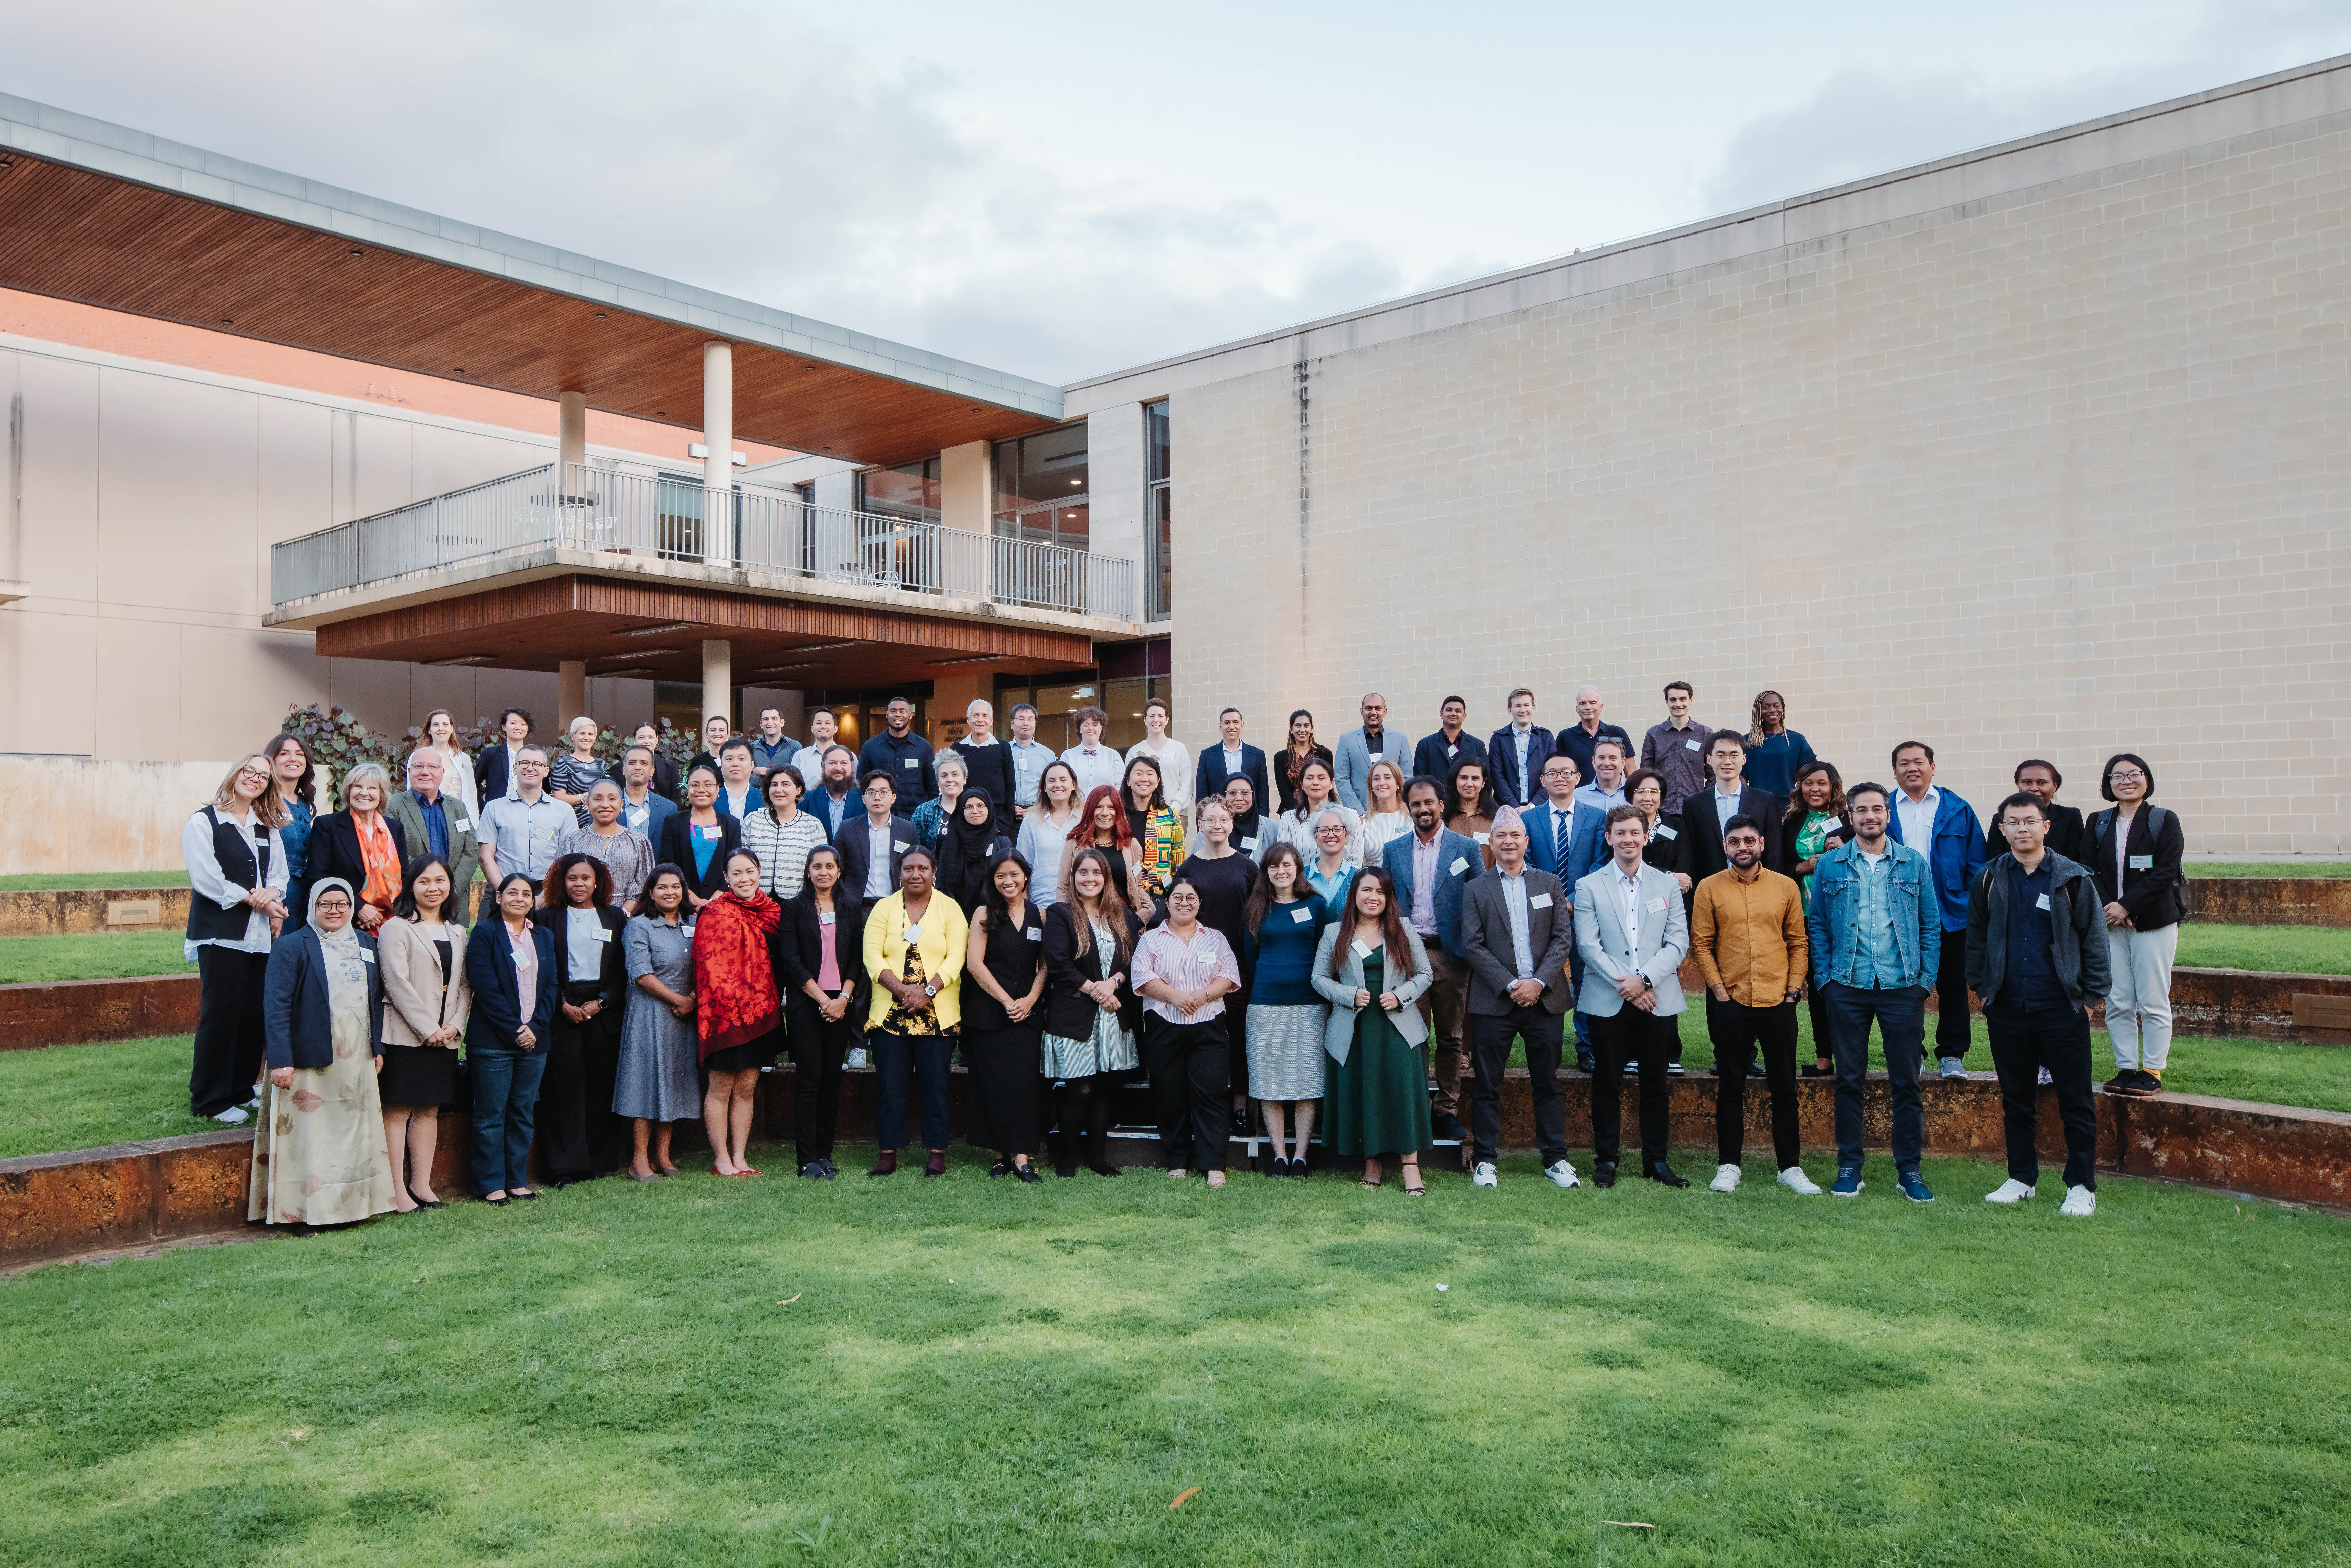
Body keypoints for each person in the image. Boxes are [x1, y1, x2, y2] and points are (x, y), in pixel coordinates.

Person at [1969, 792, 2110, 1217]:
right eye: (2013, 822)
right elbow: (1976, 940)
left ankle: (2081, 1184)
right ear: (2002, 829)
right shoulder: (1989, 877)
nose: (2021, 829)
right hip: (2008, 1007)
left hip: (2061, 1008)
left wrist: (2088, 1002)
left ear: (2045, 826)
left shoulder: (2072, 878)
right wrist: (1984, 992)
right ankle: (2021, 1177)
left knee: (2075, 1100)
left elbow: (2095, 944)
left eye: (2030, 821)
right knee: (2016, 1098)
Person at [1806, 782, 1940, 1202]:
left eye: (1877, 809)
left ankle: (1909, 1171)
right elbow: (1818, 925)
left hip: (1902, 986)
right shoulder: (1830, 864)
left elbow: (1929, 925)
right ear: (1849, 815)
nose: (1869, 816)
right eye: (1861, 810)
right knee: (1848, 1079)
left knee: (1906, 1081)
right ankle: (1849, 1166)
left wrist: (1924, 981)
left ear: (1887, 815)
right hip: (1846, 985)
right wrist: (1826, 979)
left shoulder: (1912, 863)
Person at [249, 879, 396, 1229]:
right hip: (306, 1057)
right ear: (313, 906)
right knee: (309, 1135)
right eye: (325, 904)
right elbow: (276, 1006)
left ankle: (349, 1209)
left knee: (350, 1133)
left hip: (356, 1056)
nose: (334, 910)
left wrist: (378, 1048)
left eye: (342, 904)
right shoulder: (291, 946)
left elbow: (374, 1000)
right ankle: (304, 1212)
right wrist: (281, 1060)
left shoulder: (364, 942)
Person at [1691, 816, 1815, 1194]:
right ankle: (1728, 1165)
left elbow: (1798, 942)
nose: (1741, 847)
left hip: (1778, 999)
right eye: (1734, 842)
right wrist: (1720, 992)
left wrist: (1793, 991)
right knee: (1730, 1085)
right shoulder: (1709, 887)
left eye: (1748, 840)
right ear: (1725, 846)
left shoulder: (1785, 886)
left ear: (1761, 843)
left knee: (1784, 1088)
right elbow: (1701, 943)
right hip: (1731, 1000)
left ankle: (1789, 1167)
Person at [1458, 807, 1577, 1190]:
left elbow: (1562, 938)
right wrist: (1511, 984)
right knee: (1486, 1084)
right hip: (1495, 1001)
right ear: (1489, 843)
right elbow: (1472, 945)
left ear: (1526, 841)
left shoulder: (1549, 883)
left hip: (1544, 999)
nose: (1508, 841)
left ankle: (1555, 1159)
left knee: (1548, 1082)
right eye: (1501, 836)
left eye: (1515, 835)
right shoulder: (1476, 888)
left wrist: (1538, 982)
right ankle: (1485, 1160)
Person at [1575, 806, 1692, 1189]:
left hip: (1656, 998)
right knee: (1607, 1081)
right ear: (1609, 838)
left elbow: (1677, 941)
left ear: (1646, 837)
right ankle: (1606, 1159)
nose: (1627, 839)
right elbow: (1588, 946)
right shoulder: (1588, 885)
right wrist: (1625, 984)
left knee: (1656, 1083)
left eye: (1634, 832)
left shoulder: (1666, 885)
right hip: (1608, 998)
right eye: (1619, 832)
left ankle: (1655, 1161)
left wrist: (1643, 980)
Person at [184, 754, 291, 1123]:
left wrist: (272, 893)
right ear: (235, 774)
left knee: (253, 1015)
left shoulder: (266, 826)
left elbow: (280, 874)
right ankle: (209, 1099)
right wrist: (255, 897)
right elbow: (206, 879)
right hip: (221, 935)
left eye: (263, 776)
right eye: (250, 771)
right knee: (222, 1015)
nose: (256, 779)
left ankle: (241, 1089)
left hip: (259, 935)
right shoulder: (204, 821)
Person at [1314, 868, 1435, 1194]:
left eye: (1381, 892)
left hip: (1398, 1025)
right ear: (1354, 895)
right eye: (1367, 890)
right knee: (1366, 1092)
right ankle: (1372, 1163)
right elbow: (1319, 979)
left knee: (1401, 1091)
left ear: (1388, 898)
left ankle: (1411, 1165)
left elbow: (1425, 974)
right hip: (1355, 1028)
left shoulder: (1403, 929)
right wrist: (1348, 995)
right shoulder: (1334, 932)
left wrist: (1401, 995)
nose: (1373, 897)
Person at [1383, 776, 1481, 1147]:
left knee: (1452, 1037)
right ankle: (1417, 1108)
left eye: (1428, 802)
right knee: (1413, 1036)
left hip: (1451, 954)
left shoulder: (1465, 848)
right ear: (1408, 808)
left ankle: (1447, 1111)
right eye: (1415, 804)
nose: (1422, 809)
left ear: (1441, 804)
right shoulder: (1393, 850)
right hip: (1408, 956)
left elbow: (1477, 901)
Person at [862, 845, 967, 1177]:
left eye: (923, 868)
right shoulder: (883, 908)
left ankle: (936, 1152)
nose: (915, 874)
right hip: (891, 1015)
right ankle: (888, 1152)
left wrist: (928, 992)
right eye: (909, 868)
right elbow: (872, 956)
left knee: (935, 1086)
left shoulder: (949, 909)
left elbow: (956, 957)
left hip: (936, 1015)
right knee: (890, 1085)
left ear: (934, 872)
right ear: (899, 873)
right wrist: (904, 991)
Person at [2086, 753, 2187, 1098]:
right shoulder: (2097, 822)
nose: (2126, 781)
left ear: (2146, 779)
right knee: (2118, 999)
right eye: (2117, 776)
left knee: (2152, 998)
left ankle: (2152, 1070)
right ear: (2107, 782)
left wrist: (2127, 904)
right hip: (2110, 923)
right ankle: (2126, 1066)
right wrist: (2109, 907)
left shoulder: (2162, 820)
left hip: (2153, 922)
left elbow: (2165, 871)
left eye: (2134, 774)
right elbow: (2088, 869)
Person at [1885, 741, 1987, 1079]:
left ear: (1932, 766)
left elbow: (1976, 862)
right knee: (1903, 986)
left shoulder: (1957, 808)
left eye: (1919, 761)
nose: (1912, 767)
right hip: (1896, 912)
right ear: (1895, 770)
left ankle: (1952, 1055)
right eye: (1904, 763)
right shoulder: (1883, 808)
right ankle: (1910, 1053)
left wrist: (1968, 903)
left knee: (1953, 984)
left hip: (1950, 912)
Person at [1132, 875, 1242, 1184]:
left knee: (1212, 1094)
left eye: (1191, 898)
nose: (1184, 903)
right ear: (1166, 904)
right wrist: (1177, 998)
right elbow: (1141, 976)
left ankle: (1214, 1166)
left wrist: (1202, 996)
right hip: (1164, 1025)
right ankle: (1177, 1161)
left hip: (1209, 1025)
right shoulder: (1152, 939)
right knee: (1170, 1095)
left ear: (1199, 904)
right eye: (1177, 898)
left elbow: (1228, 974)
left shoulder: (1215, 938)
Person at [375, 854, 470, 1211]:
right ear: (411, 886)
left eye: (440, 881)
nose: (434, 888)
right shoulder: (396, 927)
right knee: (398, 1109)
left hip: (445, 1036)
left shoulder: (458, 931)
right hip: (405, 1033)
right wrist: (428, 1028)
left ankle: (422, 1184)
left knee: (429, 1109)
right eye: (425, 881)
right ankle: (397, 1190)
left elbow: (465, 985)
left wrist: (454, 1026)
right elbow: (395, 982)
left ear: (450, 885)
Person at [530, 852, 630, 1187]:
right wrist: (560, 1003)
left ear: (598, 881)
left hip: (602, 1011)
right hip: (561, 1008)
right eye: (572, 878)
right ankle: (563, 1168)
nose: (579, 884)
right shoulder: (545, 918)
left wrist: (600, 1003)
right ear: (561, 880)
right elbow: (541, 968)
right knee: (563, 1090)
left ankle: (597, 1162)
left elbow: (621, 970)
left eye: (586, 878)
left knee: (601, 1088)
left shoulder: (615, 917)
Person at [1041, 848, 1141, 1178]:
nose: (1089, 879)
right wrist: (1097, 991)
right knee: (1079, 1088)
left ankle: (1097, 1159)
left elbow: (1131, 961)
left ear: (1106, 878)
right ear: (1073, 877)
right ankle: (1067, 1158)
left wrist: (1113, 983)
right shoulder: (1060, 914)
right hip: (1075, 1014)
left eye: (1096, 873)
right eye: (1082, 872)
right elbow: (1058, 964)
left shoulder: (1121, 914)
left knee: (1104, 1090)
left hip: (1113, 1017)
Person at [772, 846, 867, 1179]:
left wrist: (841, 999)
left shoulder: (850, 906)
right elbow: (791, 961)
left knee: (831, 1080)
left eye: (830, 866)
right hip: (806, 1003)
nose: (823, 871)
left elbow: (857, 959)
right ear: (808, 871)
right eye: (817, 866)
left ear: (839, 871)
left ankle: (825, 1154)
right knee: (809, 1081)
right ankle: (806, 1158)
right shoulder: (795, 908)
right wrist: (822, 1000)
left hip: (841, 1004)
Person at [464, 871, 557, 1204]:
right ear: (499, 897)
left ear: (533, 901)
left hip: (535, 1043)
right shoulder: (484, 934)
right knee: (491, 1114)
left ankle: (517, 1180)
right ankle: (490, 1183)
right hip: (493, 1042)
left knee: (522, 1111)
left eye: (527, 894)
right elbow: (485, 988)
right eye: (512, 892)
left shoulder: (543, 936)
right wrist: (516, 1030)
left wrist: (536, 1028)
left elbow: (551, 987)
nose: (520, 898)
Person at [694, 848, 785, 1178]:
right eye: (737, 873)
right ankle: (721, 1159)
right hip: (725, 1017)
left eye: (749, 871)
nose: (744, 878)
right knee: (720, 1089)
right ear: (726, 878)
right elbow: (706, 965)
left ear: (759, 872)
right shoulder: (715, 912)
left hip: (762, 1014)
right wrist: (735, 1002)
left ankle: (740, 1158)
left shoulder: (774, 911)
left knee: (746, 1088)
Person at [1242, 843, 1332, 1176]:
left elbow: (1326, 951)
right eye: (1274, 866)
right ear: (1265, 871)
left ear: (1298, 869)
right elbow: (1250, 956)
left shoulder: (1316, 905)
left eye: (1287, 865)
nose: (1281, 871)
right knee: (1269, 1081)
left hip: (1309, 1005)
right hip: (1265, 1005)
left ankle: (1301, 1156)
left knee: (1307, 1082)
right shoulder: (1256, 907)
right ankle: (1279, 1155)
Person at [958, 850, 1046, 1182]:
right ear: (992, 880)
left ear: (1025, 876)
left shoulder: (1041, 915)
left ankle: (1022, 1157)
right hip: (989, 1013)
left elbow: (1046, 964)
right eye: (1001, 876)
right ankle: (998, 1155)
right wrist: (1008, 1000)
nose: (1008, 881)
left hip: (1027, 1013)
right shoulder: (983, 912)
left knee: (1023, 1084)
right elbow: (974, 964)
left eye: (1014, 874)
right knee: (992, 1085)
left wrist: (1030, 999)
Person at [615, 865, 699, 1182]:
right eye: (662, 888)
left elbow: (703, 965)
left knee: (675, 1082)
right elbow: (641, 973)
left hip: (685, 1016)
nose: (670, 893)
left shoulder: (693, 924)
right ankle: (639, 1161)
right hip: (650, 1013)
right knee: (647, 1084)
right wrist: (680, 1001)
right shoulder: (639, 926)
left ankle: (664, 1157)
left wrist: (692, 998)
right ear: (650, 893)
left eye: (676, 887)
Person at [1184, 798, 1261, 1137]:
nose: (1217, 824)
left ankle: (1240, 1107)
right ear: (1199, 823)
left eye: (1224, 818)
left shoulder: (1248, 867)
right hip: (1199, 968)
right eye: (1210, 819)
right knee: (1205, 1037)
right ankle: (1206, 1105)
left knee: (1241, 1036)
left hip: (1240, 967)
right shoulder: (1188, 869)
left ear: (1232, 823)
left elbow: (1258, 917)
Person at [1778, 760, 1849, 1078]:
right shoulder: (1790, 821)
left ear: (1834, 787)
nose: (1815, 789)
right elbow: (1776, 866)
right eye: (1808, 783)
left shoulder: (1849, 821)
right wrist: (1803, 867)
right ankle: (1814, 1057)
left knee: (1831, 988)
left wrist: (1846, 849)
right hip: (1798, 917)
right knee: (1798, 986)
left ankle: (1838, 1055)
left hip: (1839, 916)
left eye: (1822, 783)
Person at [306, 762, 408, 934]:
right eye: (358, 787)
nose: (364, 793)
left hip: (389, 924)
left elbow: (404, 877)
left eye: (372, 788)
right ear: (349, 791)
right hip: (339, 921)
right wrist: (358, 908)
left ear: (382, 794)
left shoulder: (394, 829)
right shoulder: (328, 826)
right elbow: (318, 877)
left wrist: (381, 914)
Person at [1675, 730, 1784, 885]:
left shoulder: (1766, 801)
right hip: (1711, 892)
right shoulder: (1694, 805)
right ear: (1709, 760)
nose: (1728, 761)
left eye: (1734, 755)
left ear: (1744, 759)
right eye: (1720, 755)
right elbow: (1687, 854)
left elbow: (1775, 853)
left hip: (1758, 889)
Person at [386, 748, 479, 916]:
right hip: (410, 900)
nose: (425, 772)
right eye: (418, 766)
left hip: (452, 902)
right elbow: (392, 851)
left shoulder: (458, 807)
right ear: (409, 771)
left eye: (432, 767)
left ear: (442, 773)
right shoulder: (393, 806)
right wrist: (428, 885)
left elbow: (471, 850)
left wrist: (450, 887)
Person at [477, 745, 571, 890]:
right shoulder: (494, 808)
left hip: (548, 890)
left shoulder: (564, 811)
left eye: (537, 764)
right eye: (524, 763)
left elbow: (568, 859)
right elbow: (485, 857)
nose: (530, 768)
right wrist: (505, 893)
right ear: (515, 768)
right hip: (503, 887)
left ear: (546, 771)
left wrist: (547, 896)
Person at [558, 778, 656, 914]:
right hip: (579, 916)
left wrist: (622, 914)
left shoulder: (639, 842)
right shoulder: (572, 841)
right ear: (588, 803)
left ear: (621, 804)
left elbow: (645, 886)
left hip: (628, 919)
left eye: (612, 799)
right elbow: (559, 882)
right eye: (598, 799)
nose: (605, 805)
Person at [656, 764, 743, 911]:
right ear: (688, 789)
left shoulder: (731, 824)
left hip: (721, 905)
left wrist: (714, 901)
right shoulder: (673, 823)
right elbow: (667, 866)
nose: (701, 790)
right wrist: (694, 900)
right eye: (695, 785)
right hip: (680, 904)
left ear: (717, 790)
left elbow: (735, 866)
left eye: (708, 785)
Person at [738, 764, 827, 903]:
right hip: (754, 901)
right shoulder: (753, 820)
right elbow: (740, 861)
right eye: (774, 785)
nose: (779, 790)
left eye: (786, 784)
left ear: (798, 790)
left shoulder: (813, 826)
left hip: (797, 904)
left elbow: (820, 867)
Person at [1061, 785, 1146, 918]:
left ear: (1118, 811)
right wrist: (1064, 921)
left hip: (1125, 921)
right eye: (1099, 807)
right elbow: (1063, 888)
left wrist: (1145, 913)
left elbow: (1137, 886)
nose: (1105, 813)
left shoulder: (1131, 845)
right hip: (1086, 920)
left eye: (1111, 807)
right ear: (1090, 810)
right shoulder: (1074, 844)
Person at [1270, 755, 1366, 869]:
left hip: (1345, 885)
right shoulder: (1288, 819)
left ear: (1332, 783)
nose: (1316, 783)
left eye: (1322, 778)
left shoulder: (1351, 816)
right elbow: (1286, 861)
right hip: (1302, 885)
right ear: (1302, 784)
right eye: (1310, 778)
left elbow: (1356, 859)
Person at [834, 770, 916, 901]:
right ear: (864, 799)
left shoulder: (907, 830)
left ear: (893, 798)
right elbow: (838, 869)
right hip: (857, 906)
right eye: (871, 793)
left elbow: (914, 867)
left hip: (895, 903)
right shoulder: (847, 829)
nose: (877, 797)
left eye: (884, 792)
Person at [1987, 759, 2086, 863]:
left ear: (2055, 786)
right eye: (2027, 782)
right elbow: (1995, 861)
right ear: (2018, 784)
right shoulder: (2001, 818)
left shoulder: (2070, 817)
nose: (2034, 788)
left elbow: (2076, 862)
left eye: (2042, 783)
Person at [264, 732, 317, 922]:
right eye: (285, 754)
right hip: (275, 893)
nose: (293, 759)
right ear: (273, 760)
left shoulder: (304, 802)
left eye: (299, 754)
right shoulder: (263, 803)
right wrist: (273, 898)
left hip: (306, 893)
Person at [1639, 681, 1713, 815]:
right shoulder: (1654, 734)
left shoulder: (1705, 734)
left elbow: (1713, 775)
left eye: (1683, 699)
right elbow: (1645, 775)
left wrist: (1706, 800)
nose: (1678, 704)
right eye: (1673, 700)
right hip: (1663, 810)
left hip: (1697, 810)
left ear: (1691, 700)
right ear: (1667, 702)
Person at [1122, 756, 1186, 912]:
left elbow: (1178, 860)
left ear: (1157, 782)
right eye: (1138, 773)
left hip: (1160, 896)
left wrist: (1177, 896)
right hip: (1123, 897)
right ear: (1128, 781)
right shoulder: (1117, 816)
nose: (1144, 779)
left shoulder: (1170, 815)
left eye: (1150, 774)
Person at [937, 788, 1015, 913]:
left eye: (981, 806)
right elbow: (942, 880)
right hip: (953, 912)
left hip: (993, 913)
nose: (975, 811)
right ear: (961, 811)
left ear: (989, 808)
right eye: (968, 807)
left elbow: (1009, 883)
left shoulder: (1001, 842)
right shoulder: (952, 841)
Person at [1332, 692, 1410, 814]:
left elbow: (1407, 777)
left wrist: (1398, 806)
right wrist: (1358, 812)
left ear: (1385, 712)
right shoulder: (1347, 740)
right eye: (1369, 708)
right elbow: (1342, 779)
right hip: (1361, 812)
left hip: (1395, 811)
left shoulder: (1400, 739)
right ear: (1362, 711)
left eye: (1378, 708)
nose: (1373, 712)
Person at [1018, 761, 1084, 903]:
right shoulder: (1031, 821)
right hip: (1042, 903)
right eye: (1052, 781)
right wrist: (1025, 908)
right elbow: (1023, 866)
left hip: (1081, 902)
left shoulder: (1085, 820)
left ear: (1073, 785)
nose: (1057, 785)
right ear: (1044, 787)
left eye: (1063, 780)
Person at [1195, 707, 1275, 819]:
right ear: (1220, 726)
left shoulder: (1257, 755)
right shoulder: (1207, 755)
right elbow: (1202, 794)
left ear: (1242, 725)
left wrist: (1262, 824)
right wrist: (1202, 826)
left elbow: (1263, 794)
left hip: (1250, 820)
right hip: (1218, 820)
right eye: (1227, 723)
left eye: (1235, 722)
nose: (1231, 727)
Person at [1125, 696, 1193, 819]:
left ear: (1167, 720)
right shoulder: (1134, 752)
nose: (1156, 720)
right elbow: (1127, 784)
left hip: (1176, 814)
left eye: (1161, 716)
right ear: (1145, 720)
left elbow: (1187, 785)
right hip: (1142, 814)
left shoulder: (1179, 749)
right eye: (1152, 716)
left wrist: (1173, 809)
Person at [858, 695, 937, 801]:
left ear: (910, 715)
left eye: (903, 711)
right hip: (881, 813)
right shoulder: (870, 746)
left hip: (915, 815)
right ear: (887, 715)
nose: (898, 715)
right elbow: (861, 783)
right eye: (893, 711)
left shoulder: (924, 747)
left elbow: (933, 786)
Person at [1742, 691, 1817, 802]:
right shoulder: (1747, 741)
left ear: (1783, 709)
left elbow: (1811, 774)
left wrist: (1800, 800)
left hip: (1789, 803)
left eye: (1777, 706)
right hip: (1758, 802)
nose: (1772, 710)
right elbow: (1740, 775)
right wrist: (1748, 799)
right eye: (1766, 707)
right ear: (1759, 711)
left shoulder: (1797, 740)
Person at [1486, 687, 1553, 810]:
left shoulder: (1546, 738)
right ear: (1510, 710)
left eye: (1527, 705)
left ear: (1533, 708)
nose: (1523, 710)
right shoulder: (1498, 739)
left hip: (1540, 808)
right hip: (1506, 808)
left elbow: (1551, 774)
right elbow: (1497, 775)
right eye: (1518, 706)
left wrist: (1532, 806)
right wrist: (1514, 807)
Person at [1556, 686, 1634, 787]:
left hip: (1615, 798)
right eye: (1583, 703)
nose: (1588, 707)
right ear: (1577, 708)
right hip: (1579, 800)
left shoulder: (1617, 733)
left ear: (1601, 707)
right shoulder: (1565, 737)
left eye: (1593, 702)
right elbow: (1558, 771)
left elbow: (1631, 774)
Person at [953, 698, 1018, 815]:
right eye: (976, 716)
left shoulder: (1003, 747)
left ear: (991, 720)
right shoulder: (957, 749)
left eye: (985, 716)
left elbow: (1010, 785)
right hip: (967, 814)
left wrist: (1008, 817)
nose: (980, 720)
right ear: (969, 720)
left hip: (998, 816)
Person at [418, 708, 480, 822]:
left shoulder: (464, 759)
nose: (441, 729)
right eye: (436, 725)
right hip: (429, 820)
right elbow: (412, 792)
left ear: (451, 729)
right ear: (429, 730)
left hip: (460, 821)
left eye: (445, 724)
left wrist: (475, 826)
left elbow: (471, 793)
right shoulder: (418, 757)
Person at [547, 716, 609, 825]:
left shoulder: (602, 764)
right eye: (582, 734)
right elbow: (558, 798)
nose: (587, 738)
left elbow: (610, 791)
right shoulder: (564, 764)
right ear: (573, 736)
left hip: (602, 824)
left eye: (591, 734)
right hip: (575, 825)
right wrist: (586, 797)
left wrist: (595, 799)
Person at [1273, 709, 1333, 816]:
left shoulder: (1325, 754)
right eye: (1298, 725)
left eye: (1306, 725)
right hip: (1291, 811)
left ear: (1312, 729)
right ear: (1291, 729)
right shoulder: (1280, 757)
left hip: (1321, 811)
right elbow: (1284, 791)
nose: (1302, 730)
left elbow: (1328, 785)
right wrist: (1300, 812)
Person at [1413, 695, 1487, 783]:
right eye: (1449, 710)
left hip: (1467, 796)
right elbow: (1420, 781)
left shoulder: (1478, 745)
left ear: (1464, 716)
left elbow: (1486, 776)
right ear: (1441, 714)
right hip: (1437, 796)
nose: (1453, 714)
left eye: (1458, 711)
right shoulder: (1425, 745)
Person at [615, 744, 678, 847]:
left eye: (644, 763)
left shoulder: (668, 809)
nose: (638, 767)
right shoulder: (608, 806)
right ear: (623, 769)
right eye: (632, 763)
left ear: (652, 771)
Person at [1059, 704, 1125, 799]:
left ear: (1101, 729)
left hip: (1104, 810)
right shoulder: (1068, 756)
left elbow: (1120, 787)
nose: (1091, 728)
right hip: (1075, 810)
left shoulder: (1113, 755)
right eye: (1086, 724)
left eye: (1095, 724)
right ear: (1080, 729)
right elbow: (1062, 784)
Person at [911, 750, 969, 853]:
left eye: (955, 775)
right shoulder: (923, 812)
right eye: (944, 776)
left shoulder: (977, 808)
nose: (950, 779)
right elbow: (915, 852)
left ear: (965, 778)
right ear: (938, 781)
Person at [475, 707, 535, 804]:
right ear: (504, 727)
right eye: (513, 723)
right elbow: (474, 785)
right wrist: (484, 808)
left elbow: (543, 788)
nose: (518, 727)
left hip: (529, 811)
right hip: (499, 813)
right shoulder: (491, 754)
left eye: (523, 724)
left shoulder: (535, 756)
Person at [1005, 702, 1056, 816]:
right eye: (1021, 719)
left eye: (1031, 719)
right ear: (1012, 723)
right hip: (1008, 813)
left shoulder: (1048, 754)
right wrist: (1009, 806)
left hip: (1039, 813)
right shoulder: (1003, 751)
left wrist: (1036, 809)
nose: (1026, 723)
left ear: (1035, 724)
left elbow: (1052, 786)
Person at [1358, 760, 1413, 863]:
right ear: (1371, 786)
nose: (1382, 783)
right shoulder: (1362, 823)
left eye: (1388, 778)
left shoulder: (1412, 819)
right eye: (1376, 779)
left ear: (1398, 784)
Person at [1303, 810, 1358, 909]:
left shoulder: (1359, 879)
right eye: (1324, 830)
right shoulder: (1300, 877)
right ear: (1316, 838)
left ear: (1347, 837)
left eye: (1338, 829)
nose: (1331, 835)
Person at [1446, 757, 1498, 861]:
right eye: (1464, 778)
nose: (1469, 784)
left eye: (1475, 779)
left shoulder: (1496, 819)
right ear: (1455, 780)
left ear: (1484, 782)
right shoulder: (1442, 818)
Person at [806, 745, 859, 840]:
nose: (838, 768)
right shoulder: (807, 800)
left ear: (852, 766)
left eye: (844, 763)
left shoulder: (865, 799)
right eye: (833, 763)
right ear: (823, 766)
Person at [790, 707, 841, 797]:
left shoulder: (848, 756)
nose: (823, 726)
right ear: (812, 729)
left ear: (836, 729)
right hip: (808, 807)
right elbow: (794, 787)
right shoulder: (800, 756)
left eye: (828, 723)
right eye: (819, 723)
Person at [1575, 738, 1631, 812]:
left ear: (1623, 763)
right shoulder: (1576, 797)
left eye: (1613, 758)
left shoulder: (1635, 794)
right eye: (1601, 758)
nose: (1607, 763)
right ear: (1594, 762)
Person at [630, 721, 681, 802]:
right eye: (641, 738)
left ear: (657, 740)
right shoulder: (622, 768)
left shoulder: (669, 766)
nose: (647, 741)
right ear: (634, 741)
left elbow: (676, 799)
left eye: (651, 737)